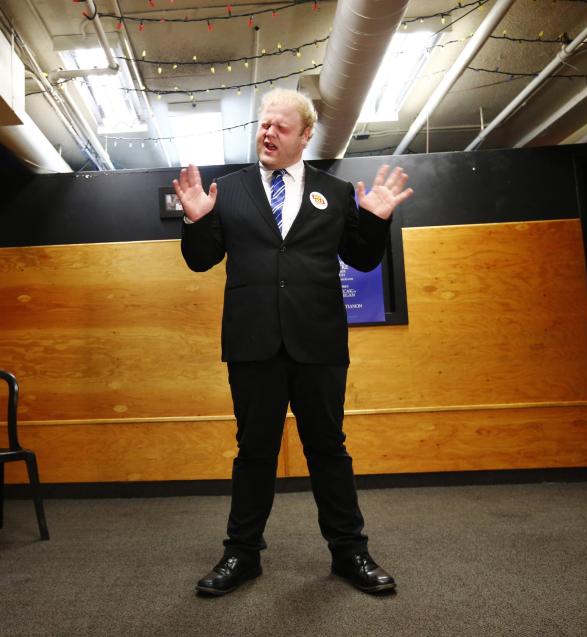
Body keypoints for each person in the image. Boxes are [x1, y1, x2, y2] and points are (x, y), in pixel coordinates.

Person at [173, 88, 414, 596]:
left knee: (328, 448)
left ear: (305, 136)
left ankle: (350, 552)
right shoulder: (229, 190)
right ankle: (241, 555)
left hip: (318, 342)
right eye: (263, 124)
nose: (267, 132)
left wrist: (375, 219)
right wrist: (196, 219)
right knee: (253, 450)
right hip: (252, 342)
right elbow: (201, 260)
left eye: (280, 127)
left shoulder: (336, 190)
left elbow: (364, 258)